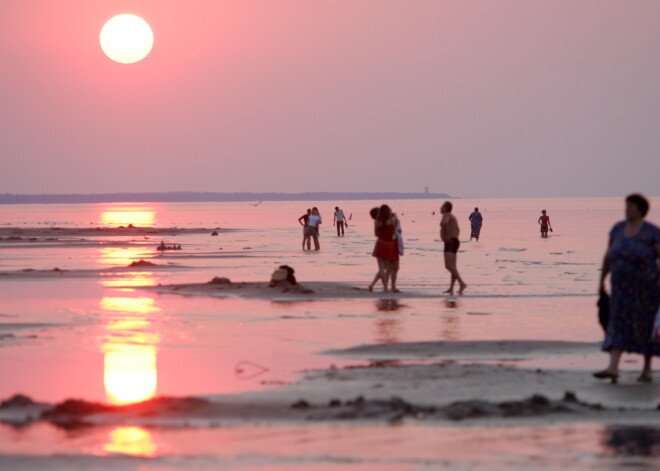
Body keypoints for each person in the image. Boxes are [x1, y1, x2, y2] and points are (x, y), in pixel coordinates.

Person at [594, 194, 660, 384]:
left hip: (646, 290)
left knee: (645, 326)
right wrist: (601, 280)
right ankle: (613, 367)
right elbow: (608, 256)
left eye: (631, 206)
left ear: (640, 210)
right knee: (617, 323)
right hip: (620, 289)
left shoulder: (652, 232)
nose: (627, 209)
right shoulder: (617, 229)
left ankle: (647, 370)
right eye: (626, 205)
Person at [368, 205, 400, 292]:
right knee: (385, 268)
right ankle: (380, 286)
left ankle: (385, 287)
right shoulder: (392, 220)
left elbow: (376, 234)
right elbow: (395, 224)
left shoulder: (377, 222)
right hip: (389, 245)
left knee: (381, 268)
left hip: (380, 243)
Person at [440, 201, 467, 295]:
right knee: (453, 267)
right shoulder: (453, 217)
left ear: (446, 208)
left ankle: (462, 283)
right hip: (455, 241)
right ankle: (451, 288)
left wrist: (445, 236)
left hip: (450, 242)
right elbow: (458, 229)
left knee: (448, 266)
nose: (440, 208)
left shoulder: (446, 215)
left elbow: (444, 223)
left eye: (442, 207)